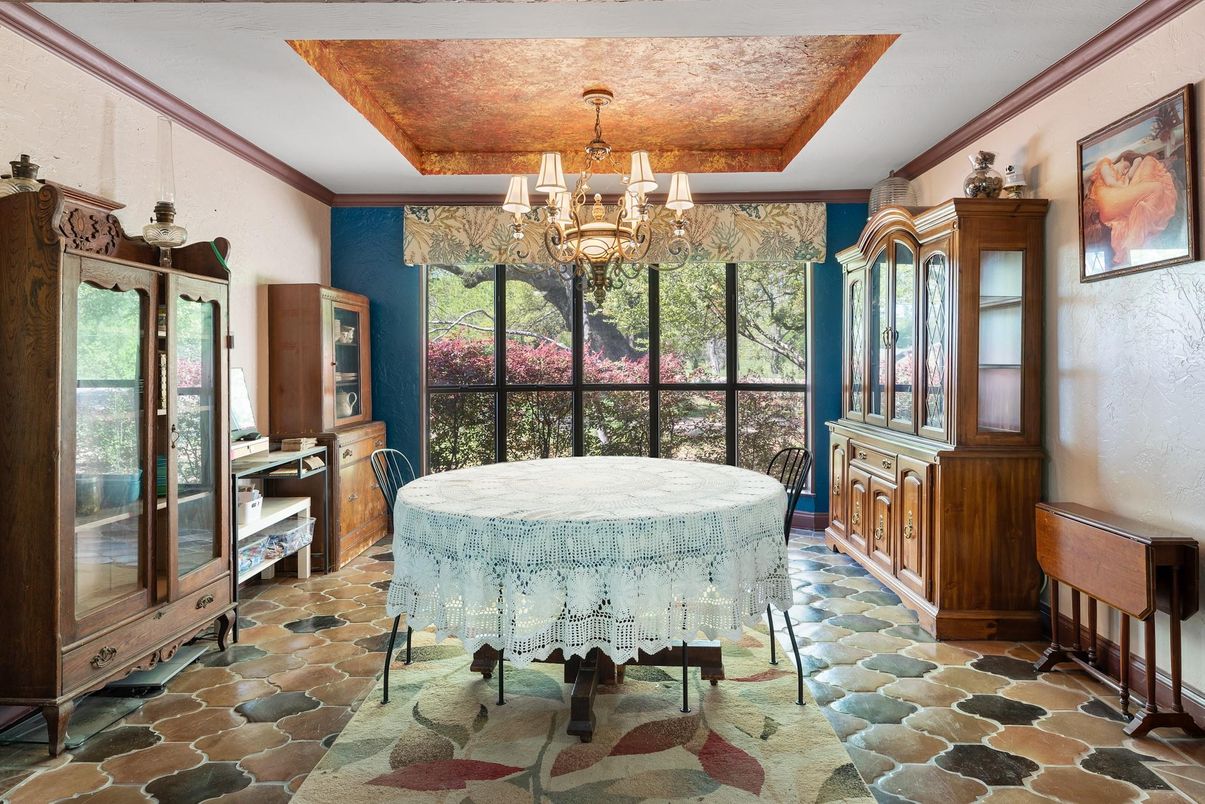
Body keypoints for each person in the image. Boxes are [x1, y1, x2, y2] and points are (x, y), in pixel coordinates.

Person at [1087, 152, 1178, 266]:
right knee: (1156, 188)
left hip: (1114, 202)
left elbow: (1131, 175)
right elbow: (1110, 181)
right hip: (1109, 201)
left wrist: (1135, 163)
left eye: (1127, 169)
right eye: (1126, 166)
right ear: (1121, 160)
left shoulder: (1123, 177)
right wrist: (1125, 185)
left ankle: (1137, 234)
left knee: (1150, 169)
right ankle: (1134, 242)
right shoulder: (1105, 163)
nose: (1125, 171)